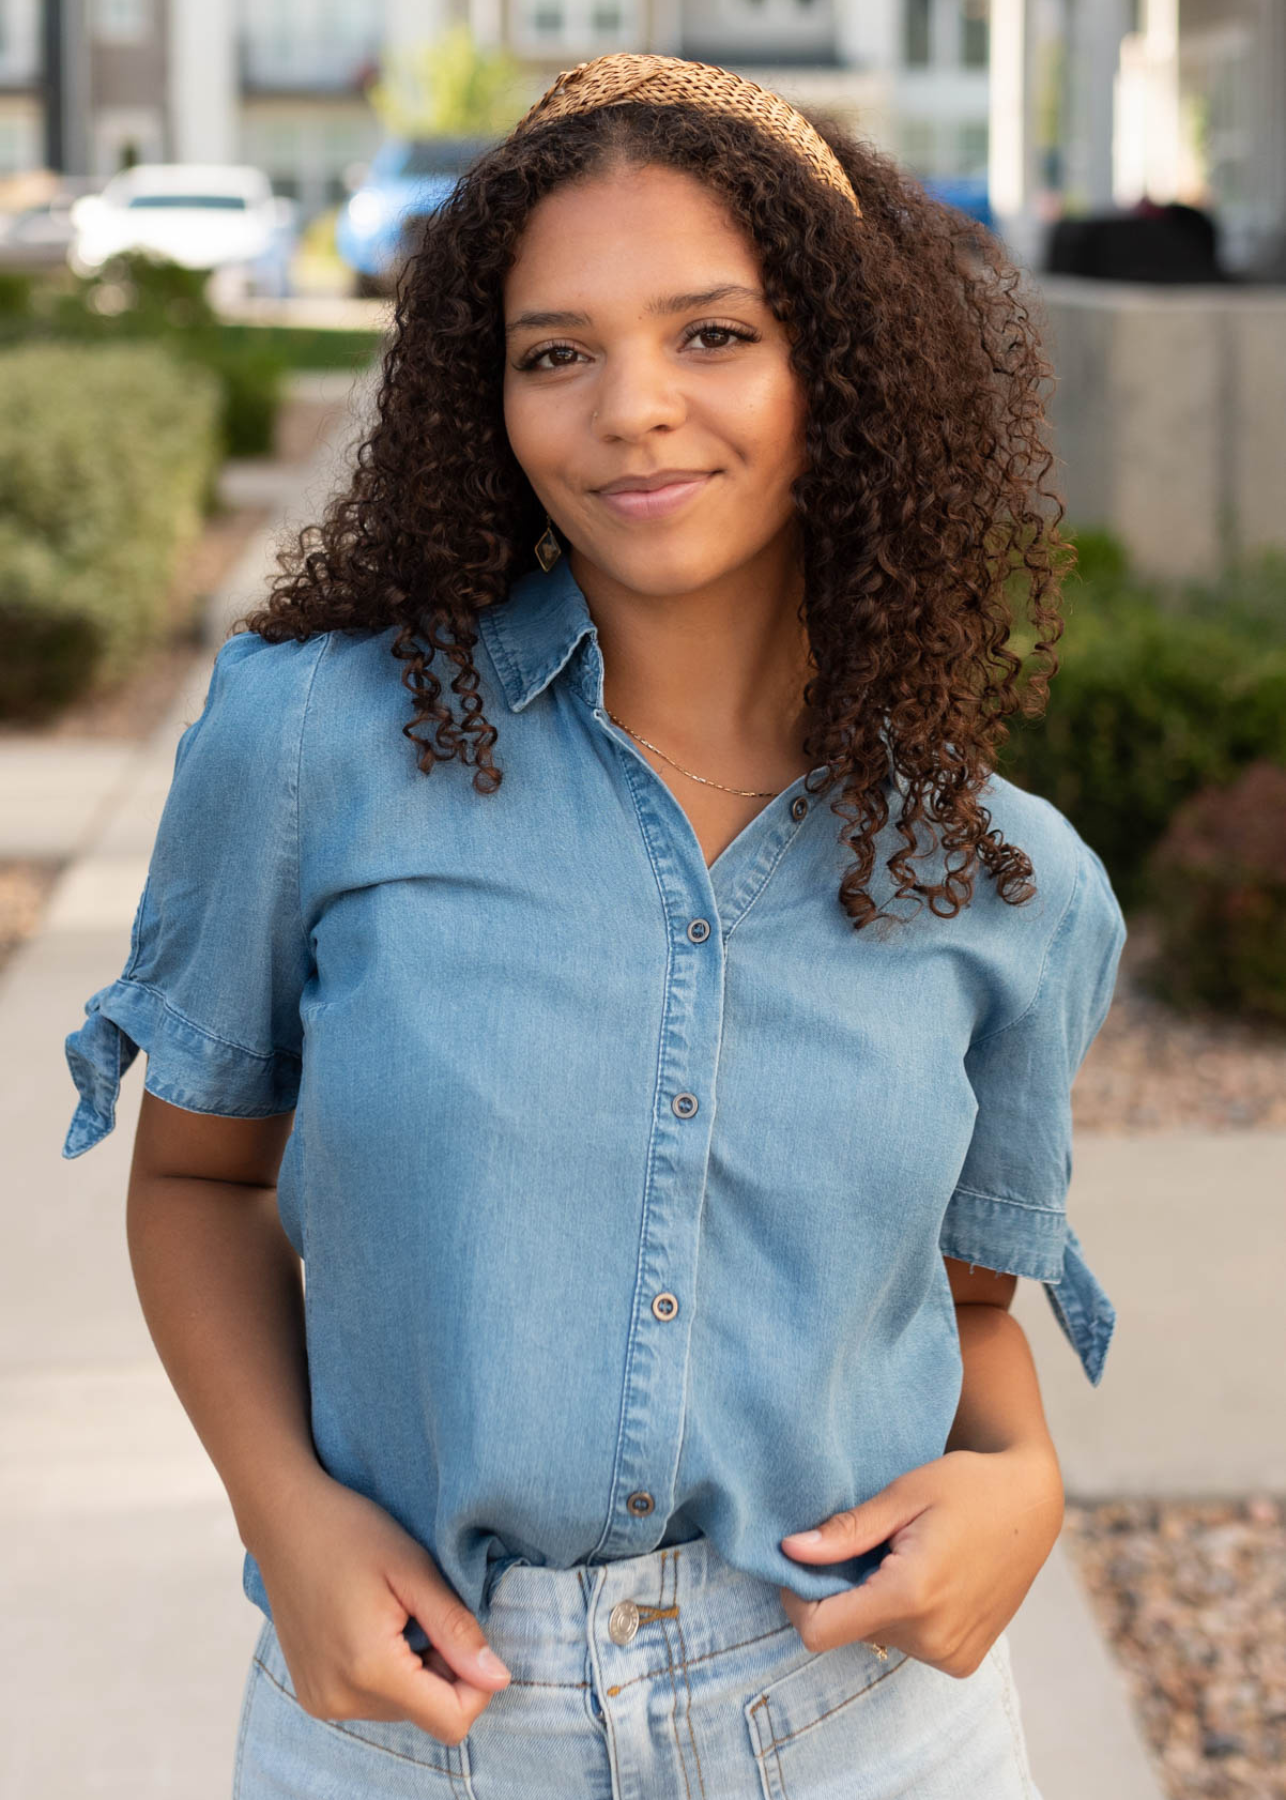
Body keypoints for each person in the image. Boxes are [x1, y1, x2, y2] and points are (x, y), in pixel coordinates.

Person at [62, 52, 1127, 1800]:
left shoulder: (1002, 883)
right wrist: (290, 1517)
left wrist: (1024, 1484)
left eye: (712, 335)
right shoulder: (317, 743)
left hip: (858, 1726)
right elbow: (193, 1182)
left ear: (839, 378)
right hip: (419, 1731)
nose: (630, 407)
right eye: (556, 351)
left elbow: (959, 1312)